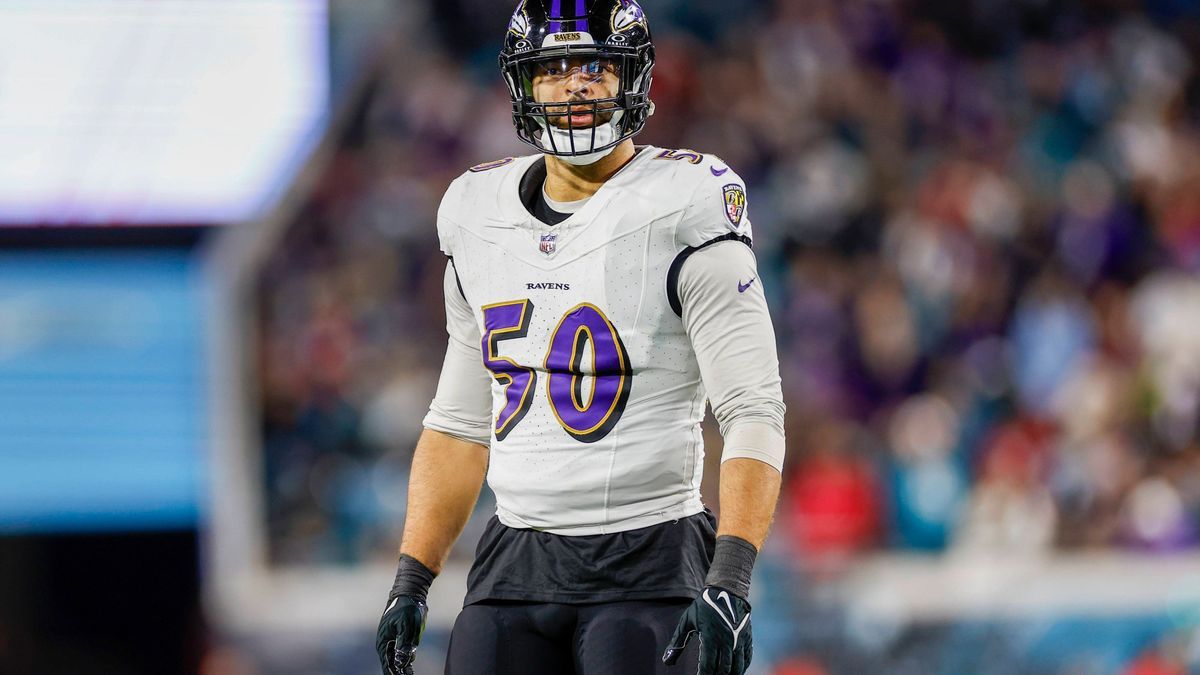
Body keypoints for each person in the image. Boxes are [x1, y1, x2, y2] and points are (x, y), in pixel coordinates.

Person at [376, 1, 785, 673]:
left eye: (594, 65)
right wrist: (412, 577)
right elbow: (458, 423)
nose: (575, 84)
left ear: (632, 76)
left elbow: (753, 411)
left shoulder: (686, 200)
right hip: (514, 559)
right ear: (522, 84)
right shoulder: (476, 212)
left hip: (650, 557)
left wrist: (731, 577)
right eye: (555, 68)